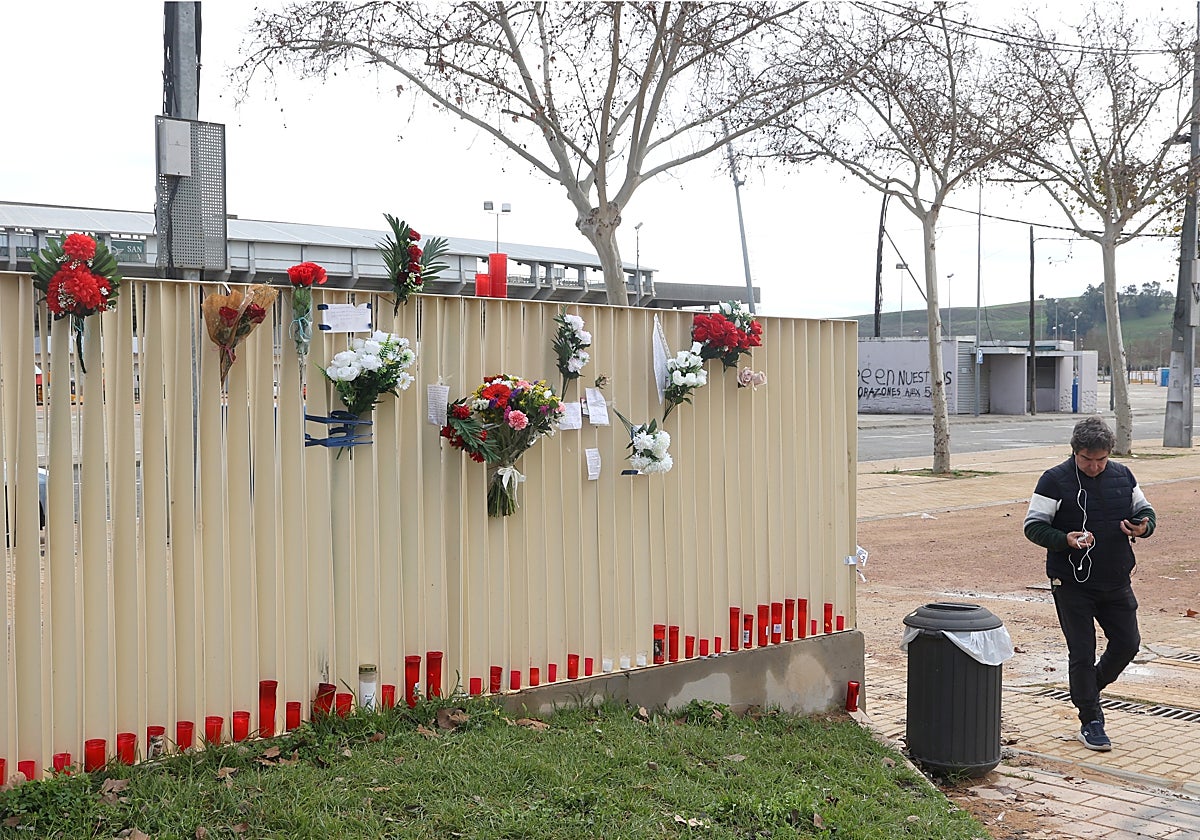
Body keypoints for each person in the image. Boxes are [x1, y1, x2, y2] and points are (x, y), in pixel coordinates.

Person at [1023, 415, 1154, 752]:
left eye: (1101, 460)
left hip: (1116, 579)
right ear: (1074, 453)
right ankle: (1091, 719)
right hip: (1071, 582)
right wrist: (1065, 539)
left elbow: (1145, 511)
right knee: (1082, 651)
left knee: (1128, 644)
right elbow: (1033, 526)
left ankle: (1087, 688)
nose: (1094, 467)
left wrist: (1143, 527)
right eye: (1087, 460)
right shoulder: (1054, 480)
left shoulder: (1123, 474)